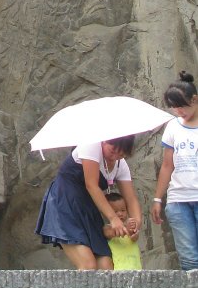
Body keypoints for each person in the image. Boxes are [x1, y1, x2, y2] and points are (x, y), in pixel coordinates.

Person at [35, 137, 141, 270]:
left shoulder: (121, 165)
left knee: (105, 265)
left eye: (121, 154)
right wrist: (113, 219)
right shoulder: (91, 145)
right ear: (104, 141)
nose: (114, 157)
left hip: (88, 208)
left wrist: (136, 225)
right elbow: (92, 185)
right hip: (65, 202)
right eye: (112, 151)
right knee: (88, 265)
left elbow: (131, 199)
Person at [150, 71, 198, 270]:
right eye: (174, 107)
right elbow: (167, 165)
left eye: (181, 106)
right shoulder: (173, 126)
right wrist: (157, 199)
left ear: (194, 99)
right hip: (178, 200)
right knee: (189, 259)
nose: (178, 111)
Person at [102, 192, 142, 270]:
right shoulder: (107, 228)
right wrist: (126, 229)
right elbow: (110, 233)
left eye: (123, 210)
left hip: (135, 266)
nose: (120, 214)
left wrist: (134, 232)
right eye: (115, 211)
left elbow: (134, 238)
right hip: (119, 268)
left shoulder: (129, 224)